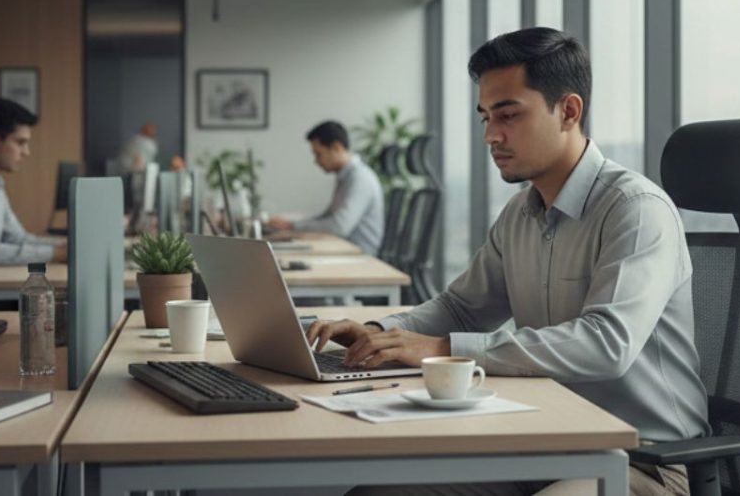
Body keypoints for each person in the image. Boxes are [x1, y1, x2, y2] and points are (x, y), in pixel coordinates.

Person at [307, 28, 707, 496]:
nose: (490, 135)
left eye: (509, 115)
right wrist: (379, 330)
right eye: (485, 117)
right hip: (544, 441)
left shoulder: (635, 210)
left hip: (642, 460)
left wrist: (443, 349)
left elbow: (607, 343)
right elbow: (461, 307)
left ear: (569, 112)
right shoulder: (521, 212)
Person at [0, 98, 67, 268]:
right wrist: (54, 253)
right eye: (20, 142)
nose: (26, 152)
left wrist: (67, 244)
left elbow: (18, 238)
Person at [267, 121, 385, 256]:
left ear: (336, 147)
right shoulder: (345, 177)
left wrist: (293, 227)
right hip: (342, 248)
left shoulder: (360, 178)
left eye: (318, 154)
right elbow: (328, 217)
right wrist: (291, 225)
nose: (316, 161)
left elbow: (339, 226)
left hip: (360, 255)